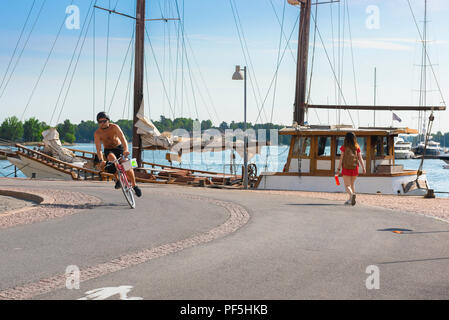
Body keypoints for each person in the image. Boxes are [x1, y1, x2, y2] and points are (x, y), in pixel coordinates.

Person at [94, 112, 142, 197]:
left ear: (108, 120)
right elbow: (99, 149)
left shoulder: (114, 127)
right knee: (111, 162)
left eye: (104, 121)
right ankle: (117, 180)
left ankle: (135, 186)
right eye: (100, 122)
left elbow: (123, 139)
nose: (102, 124)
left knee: (127, 164)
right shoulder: (97, 133)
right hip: (108, 150)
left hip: (119, 148)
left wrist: (126, 150)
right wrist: (101, 160)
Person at [337, 132, 366, 205]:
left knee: (347, 185)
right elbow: (360, 158)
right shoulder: (357, 146)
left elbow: (341, 159)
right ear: (354, 138)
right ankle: (350, 200)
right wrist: (363, 167)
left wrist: (338, 169)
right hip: (355, 167)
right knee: (352, 184)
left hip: (346, 168)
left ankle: (352, 195)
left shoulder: (344, 147)